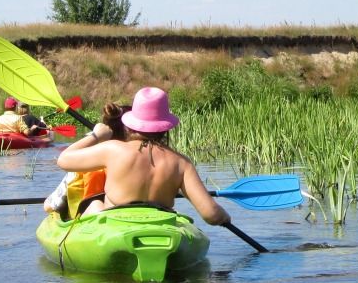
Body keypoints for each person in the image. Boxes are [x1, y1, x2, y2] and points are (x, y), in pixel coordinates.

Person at [43, 88, 230, 227]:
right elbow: (210, 214)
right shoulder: (181, 163)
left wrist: (96, 136)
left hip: (114, 224)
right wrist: (224, 217)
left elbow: (64, 160)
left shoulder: (113, 149)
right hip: (159, 226)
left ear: (130, 125)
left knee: (94, 204)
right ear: (165, 128)